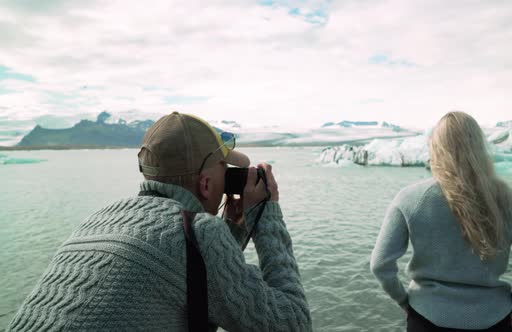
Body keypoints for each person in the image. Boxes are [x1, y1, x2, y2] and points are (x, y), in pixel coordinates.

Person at [8, 112, 311, 331]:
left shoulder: (99, 218)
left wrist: (234, 225)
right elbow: (293, 322)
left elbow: (201, 288)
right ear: (206, 184)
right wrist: (266, 211)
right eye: (224, 171)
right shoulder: (199, 233)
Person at [370, 111, 512, 331]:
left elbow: (380, 265)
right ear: (479, 147)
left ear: (436, 147)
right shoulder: (508, 200)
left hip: (426, 317)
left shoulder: (410, 198)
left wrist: (404, 301)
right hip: (494, 318)